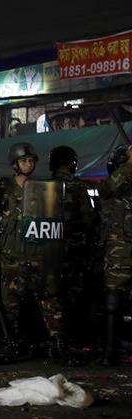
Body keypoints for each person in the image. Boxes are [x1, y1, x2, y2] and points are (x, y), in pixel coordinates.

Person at [0, 142, 77, 366]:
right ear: (14, 164)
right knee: (10, 304)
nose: (28, 164)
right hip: (10, 254)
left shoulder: (42, 189)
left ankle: (59, 344)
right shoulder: (2, 190)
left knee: (49, 298)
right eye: (24, 160)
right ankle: (12, 343)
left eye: (31, 160)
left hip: (37, 254)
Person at [47, 145, 98, 347]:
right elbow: (89, 220)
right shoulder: (78, 188)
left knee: (51, 294)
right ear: (73, 164)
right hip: (74, 252)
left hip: (49, 251)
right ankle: (70, 340)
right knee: (73, 295)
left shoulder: (45, 186)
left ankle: (54, 337)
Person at [98, 144, 132, 365]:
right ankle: (110, 353)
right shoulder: (112, 187)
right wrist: (130, 164)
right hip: (119, 248)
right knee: (113, 301)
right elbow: (108, 188)